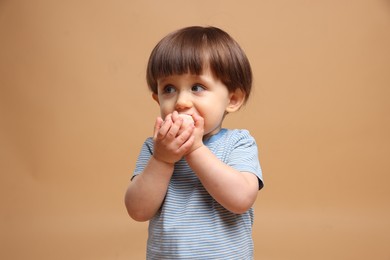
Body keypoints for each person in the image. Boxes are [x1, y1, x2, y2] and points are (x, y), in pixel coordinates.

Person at [124, 26, 263, 259]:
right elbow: (137, 210)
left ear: (233, 99)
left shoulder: (239, 143)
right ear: (157, 98)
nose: (181, 101)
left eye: (197, 88)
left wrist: (196, 150)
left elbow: (241, 199)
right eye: (169, 89)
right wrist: (162, 160)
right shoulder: (155, 148)